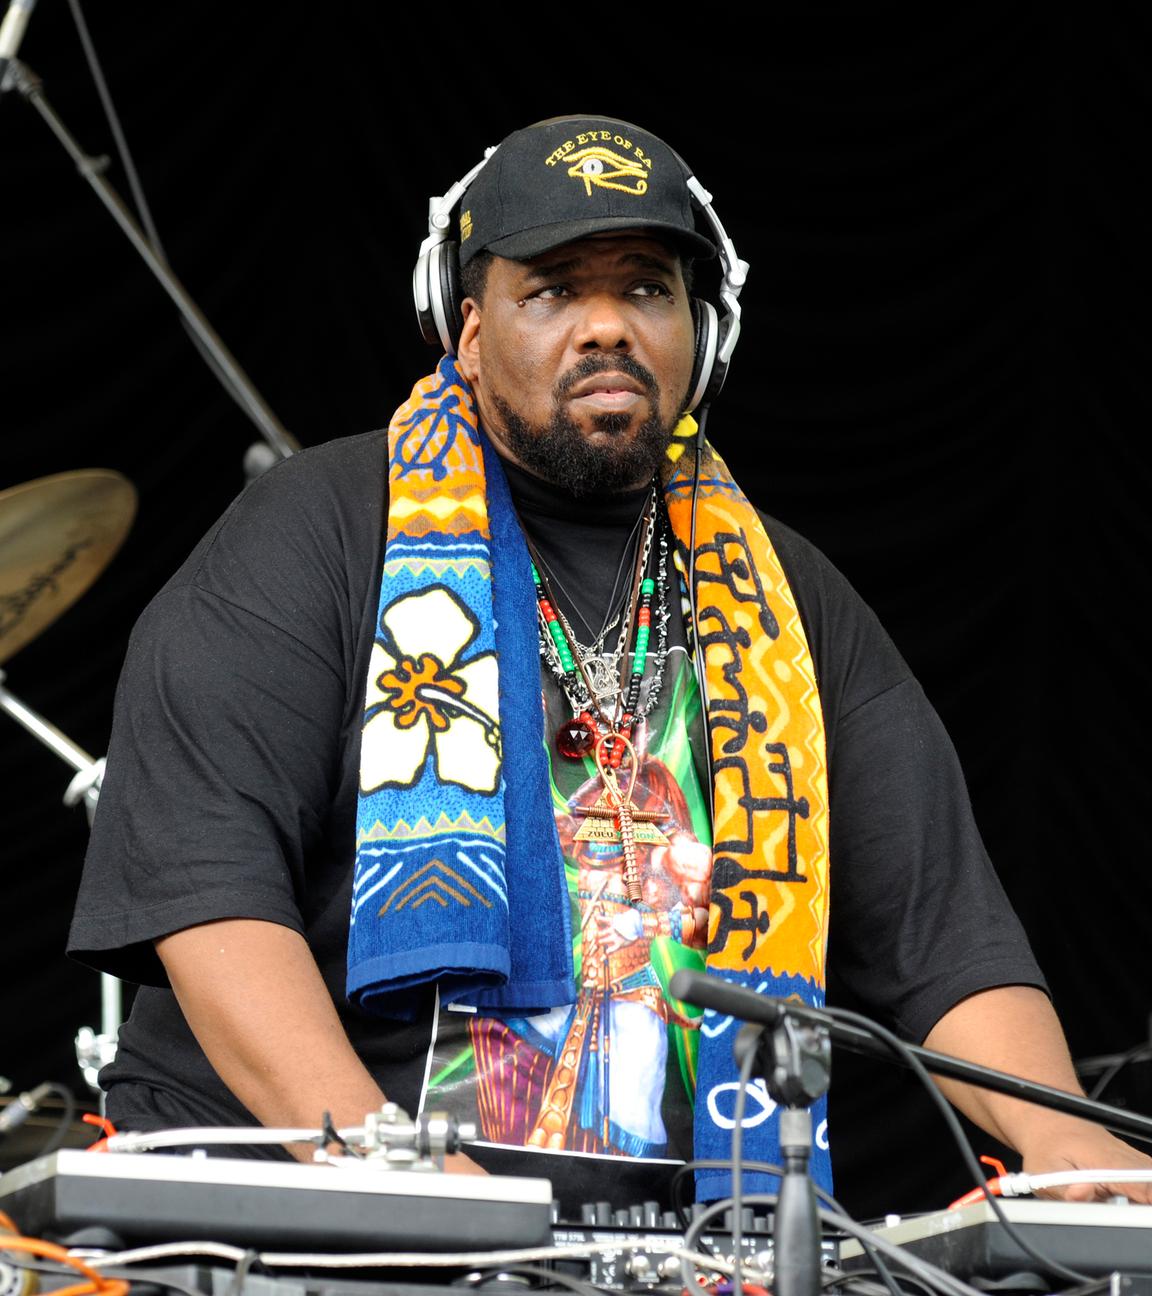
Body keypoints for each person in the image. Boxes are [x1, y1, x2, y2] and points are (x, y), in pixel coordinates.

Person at [69, 115, 1151, 1214]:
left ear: (703, 334)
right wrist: (377, 1169)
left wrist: (1069, 1144)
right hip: (311, 1224)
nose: (605, 328)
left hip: (671, 1248)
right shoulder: (313, 534)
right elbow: (206, 883)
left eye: (645, 290)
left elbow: (939, 932)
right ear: (471, 329)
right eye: (551, 292)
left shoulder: (789, 596)